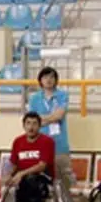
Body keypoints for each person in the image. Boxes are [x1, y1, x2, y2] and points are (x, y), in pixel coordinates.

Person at [27, 66, 74, 194]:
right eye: (45, 77)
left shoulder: (62, 95)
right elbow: (33, 120)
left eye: (52, 77)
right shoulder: (35, 98)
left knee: (64, 181)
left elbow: (59, 116)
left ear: (56, 80)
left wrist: (42, 120)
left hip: (59, 144)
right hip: (40, 144)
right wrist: (50, 118)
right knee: (40, 181)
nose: (48, 80)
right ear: (40, 80)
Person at [8, 112, 58, 202]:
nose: (31, 127)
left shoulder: (47, 141)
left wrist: (21, 173)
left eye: (34, 124)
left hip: (43, 177)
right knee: (17, 182)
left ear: (39, 126)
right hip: (22, 178)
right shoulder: (18, 141)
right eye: (28, 123)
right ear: (24, 125)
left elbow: (42, 166)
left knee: (31, 180)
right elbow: (14, 164)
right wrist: (7, 176)